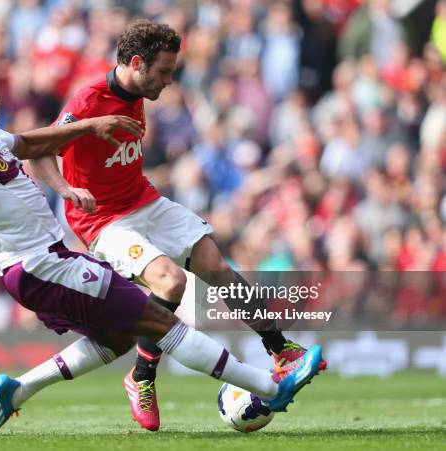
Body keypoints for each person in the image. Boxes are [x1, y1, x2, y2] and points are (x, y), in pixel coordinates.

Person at [0, 65, 323, 437]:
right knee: (158, 321)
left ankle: (18, 389)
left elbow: (32, 143)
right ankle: (271, 386)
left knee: (116, 339)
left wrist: (90, 128)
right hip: (44, 266)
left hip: (43, 265)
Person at [31, 20, 327, 431]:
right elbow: (38, 150)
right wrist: (64, 188)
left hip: (143, 199)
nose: (170, 81)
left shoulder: (135, 91)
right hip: (102, 219)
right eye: (164, 72)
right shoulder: (86, 102)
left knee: (213, 264)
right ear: (136, 63)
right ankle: (141, 378)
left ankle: (280, 349)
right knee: (170, 283)